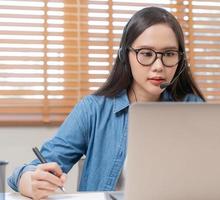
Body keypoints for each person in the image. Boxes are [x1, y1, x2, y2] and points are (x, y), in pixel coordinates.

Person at [8, 6, 205, 199]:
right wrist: (30, 180)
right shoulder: (93, 110)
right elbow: (31, 169)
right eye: (146, 53)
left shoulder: (193, 109)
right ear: (125, 56)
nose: (158, 66)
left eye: (169, 54)